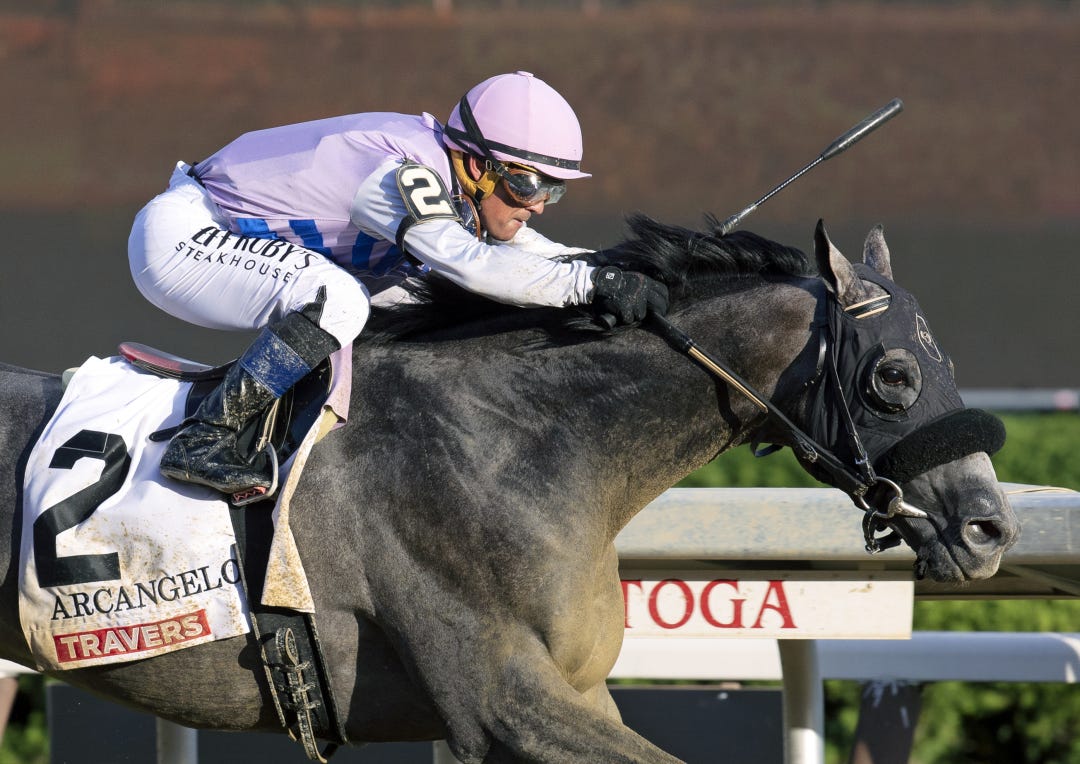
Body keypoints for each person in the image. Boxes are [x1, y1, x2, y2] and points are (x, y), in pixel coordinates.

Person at [128, 71, 668, 503]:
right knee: (341, 299)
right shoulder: (400, 170)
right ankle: (203, 439)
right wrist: (590, 281)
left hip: (234, 239)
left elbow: (538, 259)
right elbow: (474, 265)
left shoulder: (458, 182)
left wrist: (628, 271)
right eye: (526, 183)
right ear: (477, 164)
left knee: (420, 299)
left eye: (553, 190)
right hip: (187, 236)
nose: (537, 204)